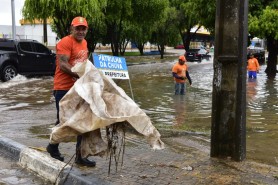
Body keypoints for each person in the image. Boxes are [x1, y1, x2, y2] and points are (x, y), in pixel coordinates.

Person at [46, 16, 96, 167]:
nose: (80, 31)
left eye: (83, 28)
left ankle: (80, 156)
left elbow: (83, 63)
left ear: (86, 30)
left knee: (83, 120)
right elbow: (63, 65)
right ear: (72, 28)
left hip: (79, 87)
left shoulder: (85, 43)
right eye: (77, 28)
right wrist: (81, 74)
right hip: (63, 88)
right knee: (64, 121)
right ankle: (52, 147)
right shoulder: (65, 42)